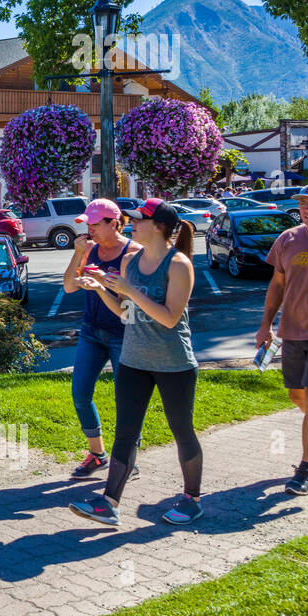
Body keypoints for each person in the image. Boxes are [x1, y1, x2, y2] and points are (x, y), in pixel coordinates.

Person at [70, 200, 202, 526]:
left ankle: (191, 499)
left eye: (139, 220)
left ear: (157, 226)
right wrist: (102, 288)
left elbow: (170, 318)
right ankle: (109, 503)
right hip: (133, 359)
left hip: (173, 362)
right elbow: (126, 314)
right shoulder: (131, 260)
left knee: (181, 430)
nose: (131, 225)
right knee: (126, 432)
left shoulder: (178, 265)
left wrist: (130, 289)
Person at [259, 182, 308, 495]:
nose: (307, 209)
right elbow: (277, 284)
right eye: (302, 204)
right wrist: (266, 324)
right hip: (292, 331)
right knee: (297, 395)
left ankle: (305, 470)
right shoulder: (288, 239)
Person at [62, 200, 140, 477]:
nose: (89, 229)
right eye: (87, 225)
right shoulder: (90, 249)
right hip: (91, 331)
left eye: (95, 224)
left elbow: (126, 310)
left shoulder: (132, 253)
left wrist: (100, 287)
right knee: (81, 393)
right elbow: (70, 286)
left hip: (124, 334)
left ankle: (128, 460)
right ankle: (97, 454)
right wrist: (78, 255)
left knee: (127, 399)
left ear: (113, 223)